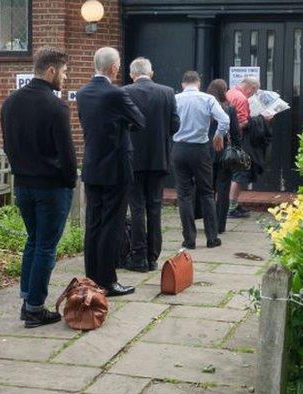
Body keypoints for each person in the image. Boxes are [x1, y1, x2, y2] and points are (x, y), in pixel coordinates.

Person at [0, 47, 76, 327]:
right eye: (64, 72)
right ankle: (34, 307)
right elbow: (67, 154)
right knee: (45, 246)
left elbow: (8, 146)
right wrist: (70, 182)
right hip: (51, 187)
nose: (65, 78)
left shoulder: (10, 103)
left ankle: (27, 299)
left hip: (23, 184)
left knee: (33, 242)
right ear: (51, 71)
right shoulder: (56, 107)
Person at [76, 47, 145, 296]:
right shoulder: (115, 94)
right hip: (116, 167)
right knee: (112, 225)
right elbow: (139, 120)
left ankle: (91, 277)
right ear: (114, 68)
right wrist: (121, 122)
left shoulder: (83, 93)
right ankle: (107, 281)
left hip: (93, 166)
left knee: (93, 224)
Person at [121, 57, 179, 272]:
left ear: (131, 74)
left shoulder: (124, 92)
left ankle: (138, 258)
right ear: (151, 73)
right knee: (154, 208)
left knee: (136, 208)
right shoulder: (167, 92)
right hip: (158, 158)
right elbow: (175, 124)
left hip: (132, 159)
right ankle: (153, 256)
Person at [172, 71, 229, 249]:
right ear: (198, 83)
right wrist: (218, 135)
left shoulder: (174, 99)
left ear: (183, 84)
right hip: (200, 149)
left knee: (184, 195)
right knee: (206, 193)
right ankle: (212, 238)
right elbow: (225, 119)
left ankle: (189, 239)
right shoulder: (207, 99)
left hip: (179, 148)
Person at [225, 76, 273, 217]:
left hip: (227, 142)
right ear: (251, 88)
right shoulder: (242, 99)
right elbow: (240, 124)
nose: (253, 95)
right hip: (239, 143)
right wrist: (262, 119)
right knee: (239, 174)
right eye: (254, 92)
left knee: (232, 174)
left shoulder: (230, 93)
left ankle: (231, 204)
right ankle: (231, 207)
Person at [205, 78, 242, 234]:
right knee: (223, 189)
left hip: (205, 153)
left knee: (208, 191)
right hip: (224, 154)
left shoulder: (204, 106)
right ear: (223, 91)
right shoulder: (229, 109)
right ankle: (220, 225)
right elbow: (235, 133)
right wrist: (237, 149)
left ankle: (208, 223)